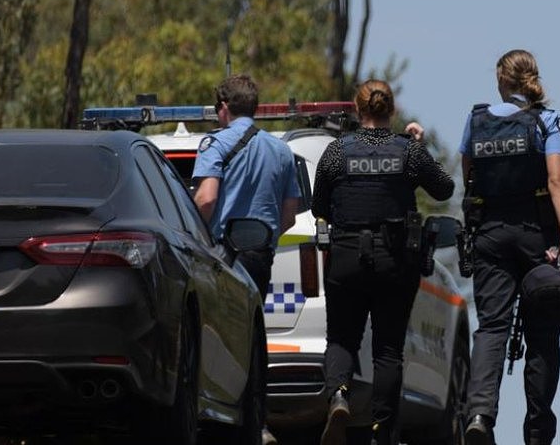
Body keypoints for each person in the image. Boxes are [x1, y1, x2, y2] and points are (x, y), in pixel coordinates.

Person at [312, 79, 454, 445]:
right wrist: (418, 147)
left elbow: (319, 207)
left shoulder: (335, 152)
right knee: (388, 349)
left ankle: (339, 395)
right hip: (394, 258)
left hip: (345, 254)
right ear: (391, 111)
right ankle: (381, 431)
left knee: (341, 338)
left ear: (358, 111)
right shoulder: (407, 152)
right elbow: (444, 188)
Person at [459, 49, 560, 445]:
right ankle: (538, 428)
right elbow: (557, 179)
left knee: (491, 327)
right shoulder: (546, 121)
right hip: (535, 235)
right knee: (543, 332)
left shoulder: (476, 120)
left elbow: (468, 176)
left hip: (490, 233)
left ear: (501, 81)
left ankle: (478, 415)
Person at [193, 73, 302, 445]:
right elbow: (288, 216)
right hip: (260, 256)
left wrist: (190, 233)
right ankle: (258, 423)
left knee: (218, 337)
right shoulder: (282, 150)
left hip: (222, 255)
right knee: (254, 337)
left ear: (223, 108)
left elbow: (206, 199)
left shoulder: (215, 144)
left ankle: (220, 418)